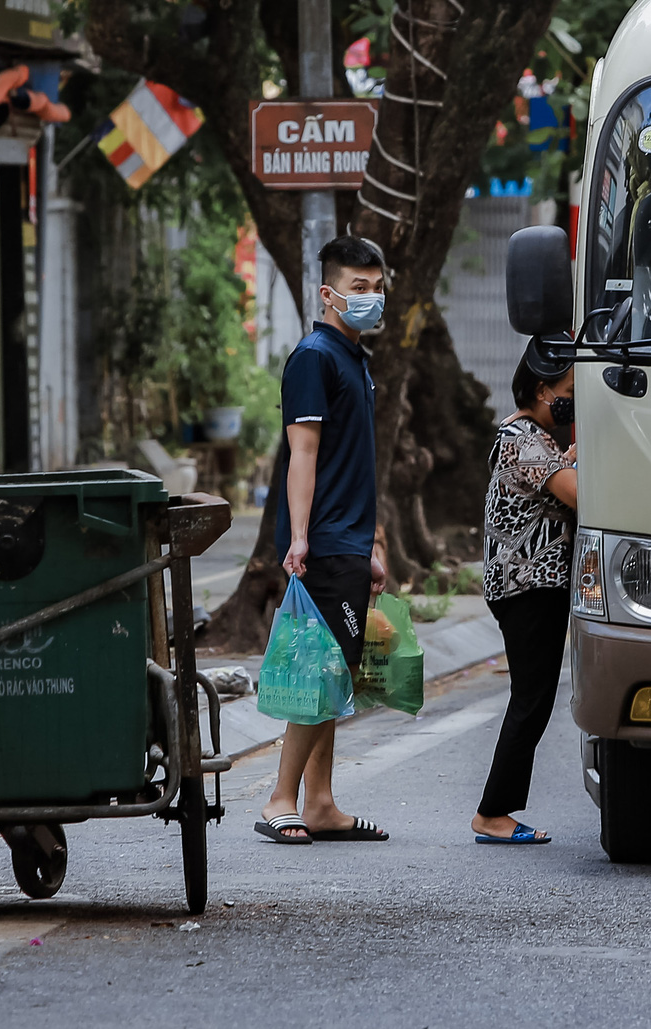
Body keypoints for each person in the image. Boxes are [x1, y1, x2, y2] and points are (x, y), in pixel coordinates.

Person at [257, 236, 391, 845]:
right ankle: (280, 798)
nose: (370, 298)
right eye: (358, 288)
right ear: (328, 293)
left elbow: (360, 462)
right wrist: (301, 538)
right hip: (325, 540)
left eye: (377, 286)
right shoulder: (314, 357)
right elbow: (302, 454)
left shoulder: (354, 357)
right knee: (325, 670)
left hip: (350, 538)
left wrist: (377, 542)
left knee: (332, 669)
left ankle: (321, 802)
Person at [472, 336, 578, 844]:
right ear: (542, 390)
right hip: (528, 584)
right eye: (569, 391)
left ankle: (496, 810)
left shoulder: (529, 436)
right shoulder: (525, 440)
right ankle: (493, 814)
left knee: (532, 698)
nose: (573, 401)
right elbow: (579, 494)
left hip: (526, 584)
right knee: (531, 700)